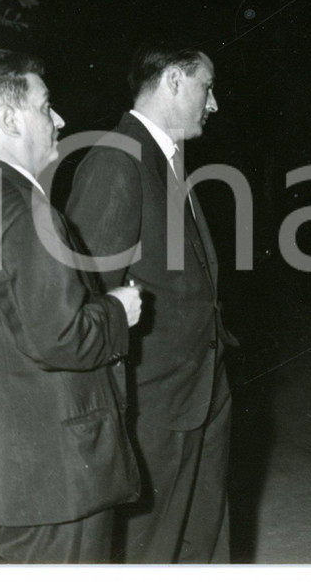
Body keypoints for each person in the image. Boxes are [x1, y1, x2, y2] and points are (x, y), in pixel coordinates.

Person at [0, 49, 143, 563]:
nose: (59, 119)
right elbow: (60, 336)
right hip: (56, 478)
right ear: (8, 118)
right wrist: (117, 310)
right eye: (46, 106)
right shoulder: (26, 209)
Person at [67, 42, 235, 563]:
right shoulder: (118, 159)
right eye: (207, 88)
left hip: (198, 393)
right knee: (150, 552)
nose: (214, 104)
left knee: (198, 544)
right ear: (174, 82)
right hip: (153, 404)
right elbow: (90, 295)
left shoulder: (163, 159)